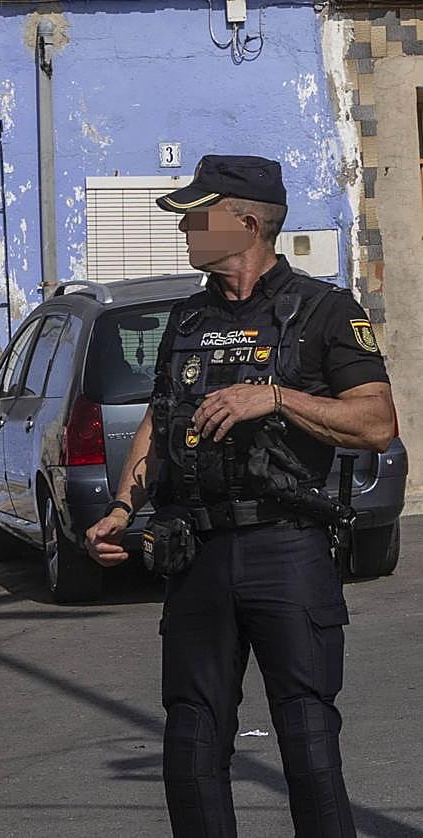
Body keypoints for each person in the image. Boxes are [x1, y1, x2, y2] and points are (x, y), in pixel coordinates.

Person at [85, 155, 396, 838]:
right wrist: (120, 509)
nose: (186, 230)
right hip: (194, 550)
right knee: (190, 745)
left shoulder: (323, 311)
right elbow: (158, 420)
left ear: (247, 222)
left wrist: (275, 397)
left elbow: (375, 423)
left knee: (308, 741)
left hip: (284, 548)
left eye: (198, 216)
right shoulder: (188, 317)